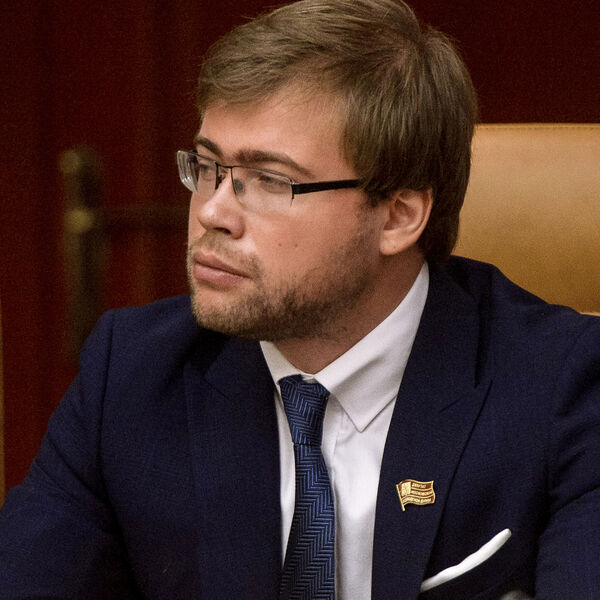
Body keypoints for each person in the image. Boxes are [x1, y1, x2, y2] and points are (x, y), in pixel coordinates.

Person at [1, 0, 599, 598]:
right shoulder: (134, 373)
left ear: (398, 216)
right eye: (207, 166)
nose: (212, 212)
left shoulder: (563, 387)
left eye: (270, 180)